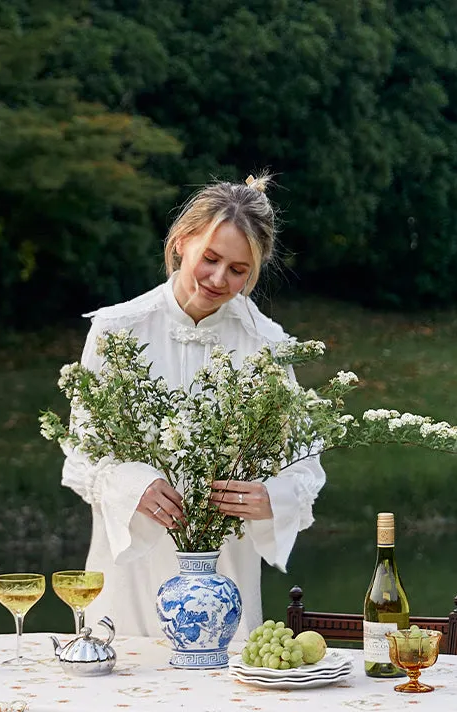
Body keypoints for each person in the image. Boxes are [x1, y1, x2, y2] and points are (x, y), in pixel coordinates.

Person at [61, 174, 327, 639]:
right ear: (181, 242)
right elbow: (83, 452)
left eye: (239, 269)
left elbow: (304, 464)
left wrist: (272, 498)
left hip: (224, 572)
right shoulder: (116, 330)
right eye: (210, 258)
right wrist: (134, 485)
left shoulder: (267, 344)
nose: (220, 279)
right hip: (132, 559)